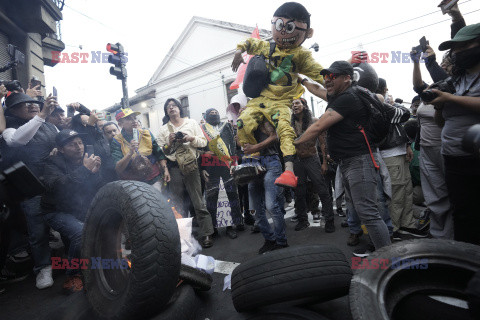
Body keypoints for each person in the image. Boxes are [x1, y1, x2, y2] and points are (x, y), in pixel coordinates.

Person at [295, 60, 391, 252]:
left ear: (347, 78)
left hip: (359, 161)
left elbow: (318, 126)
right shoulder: (339, 96)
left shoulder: (348, 98)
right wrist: (302, 80)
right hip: (348, 162)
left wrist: (293, 144)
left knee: (368, 213)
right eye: (325, 76)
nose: (326, 80)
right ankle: (384, 255)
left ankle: (389, 259)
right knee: (362, 210)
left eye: (332, 76)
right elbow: (316, 89)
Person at [231, 2, 324, 188]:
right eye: (280, 26)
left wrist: (336, 77)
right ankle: (252, 162)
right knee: (242, 122)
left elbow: (319, 73)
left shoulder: (301, 55)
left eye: (290, 28)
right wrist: (238, 51)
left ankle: (289, 171)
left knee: (285, 130)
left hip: (283, 101)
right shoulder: (268, 47)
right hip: (262, 100)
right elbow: (250, 43)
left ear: (308, 33)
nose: (284, 32)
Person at [1, 92, 58, 289]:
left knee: (66, 220)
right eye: (24, 104)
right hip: (31, 187)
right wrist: (41, 115)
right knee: (37, 230)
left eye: (33, 102)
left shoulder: (51, 126)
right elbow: (17, 140)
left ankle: (73, 261)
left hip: (56, 183)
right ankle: (43, 267)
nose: (31, 105)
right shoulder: (10, 128)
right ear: (14, 110)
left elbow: (63, 144)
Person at [432, 23, 480, 245]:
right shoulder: (457, 80)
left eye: (465, 46)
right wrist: (440, 106)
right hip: (453, 158)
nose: (457, 52)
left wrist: (450, 99)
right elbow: (442, 122)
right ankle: (466, 268)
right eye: (455, 48)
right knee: (462, 215)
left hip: (476, 158)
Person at [41, 129, 105, 294]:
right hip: (56, 211)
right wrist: (85, 170)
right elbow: (58, 187)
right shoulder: (52, 163)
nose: (79, 147)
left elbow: (94, 189)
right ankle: (72, 276)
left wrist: (95, 173)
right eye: (72, 144)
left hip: (78, 208)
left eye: (80, 143)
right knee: (80, 233)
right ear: (61, 149)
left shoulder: (86, 159)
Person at [157, 98, 215, 248]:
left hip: (192, 166)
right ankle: (184, 238)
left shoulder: (192, 123)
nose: (171, 108)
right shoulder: (164, 130)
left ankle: (207, 233)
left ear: (179, 108)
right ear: (166, 111)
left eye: (174, 105)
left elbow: (203, 142)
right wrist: (170, 143)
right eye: (168, 107)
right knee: (179, 205)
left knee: (198, 201)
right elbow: (161, 152)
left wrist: (190, 138)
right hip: (174, 168)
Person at [241, 120, 287, 254]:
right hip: (252, 163)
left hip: (271, 161)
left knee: (271, 205)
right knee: (254, 209)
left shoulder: (262, 118)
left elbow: (275, 137)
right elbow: (243, 146)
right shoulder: (242, 121)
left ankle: (281, 241)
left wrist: (255, 148)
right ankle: (270, 239)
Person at [290, 98, 335, 232]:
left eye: (297, 103)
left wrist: (325, 163)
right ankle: (303, 220)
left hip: (312, 158)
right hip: (297, 160)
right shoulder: (289, 124)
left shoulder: (314, 121)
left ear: (304, 105)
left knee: (321, 189)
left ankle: (329, 220)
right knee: (299, 192)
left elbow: (322, 143)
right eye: (292, 104)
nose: (294, 106)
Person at [200, 108, 244, 239]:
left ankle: (231, 225)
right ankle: (213, 227)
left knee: (230, 195)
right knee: (212, 198)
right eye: (211, 114)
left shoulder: (226, 126)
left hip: (226, 165)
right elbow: (199, 149)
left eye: (216, 113)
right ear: (206, 116)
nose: (214, 115)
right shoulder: (202, 128)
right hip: (209, 166)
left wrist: (234, 164)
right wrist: (202, 168)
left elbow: (232, 146)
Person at [111, 108, 167, 190]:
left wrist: (165, 170)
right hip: (133, 184)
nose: (134, 121)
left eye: (134, 118)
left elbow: (159, 153)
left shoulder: (146, 133)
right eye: (128, 119)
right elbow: (118, 168)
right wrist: (130, 153)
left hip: (154, 178)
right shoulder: (117, 140)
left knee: (156, 201)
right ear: (120, 124)